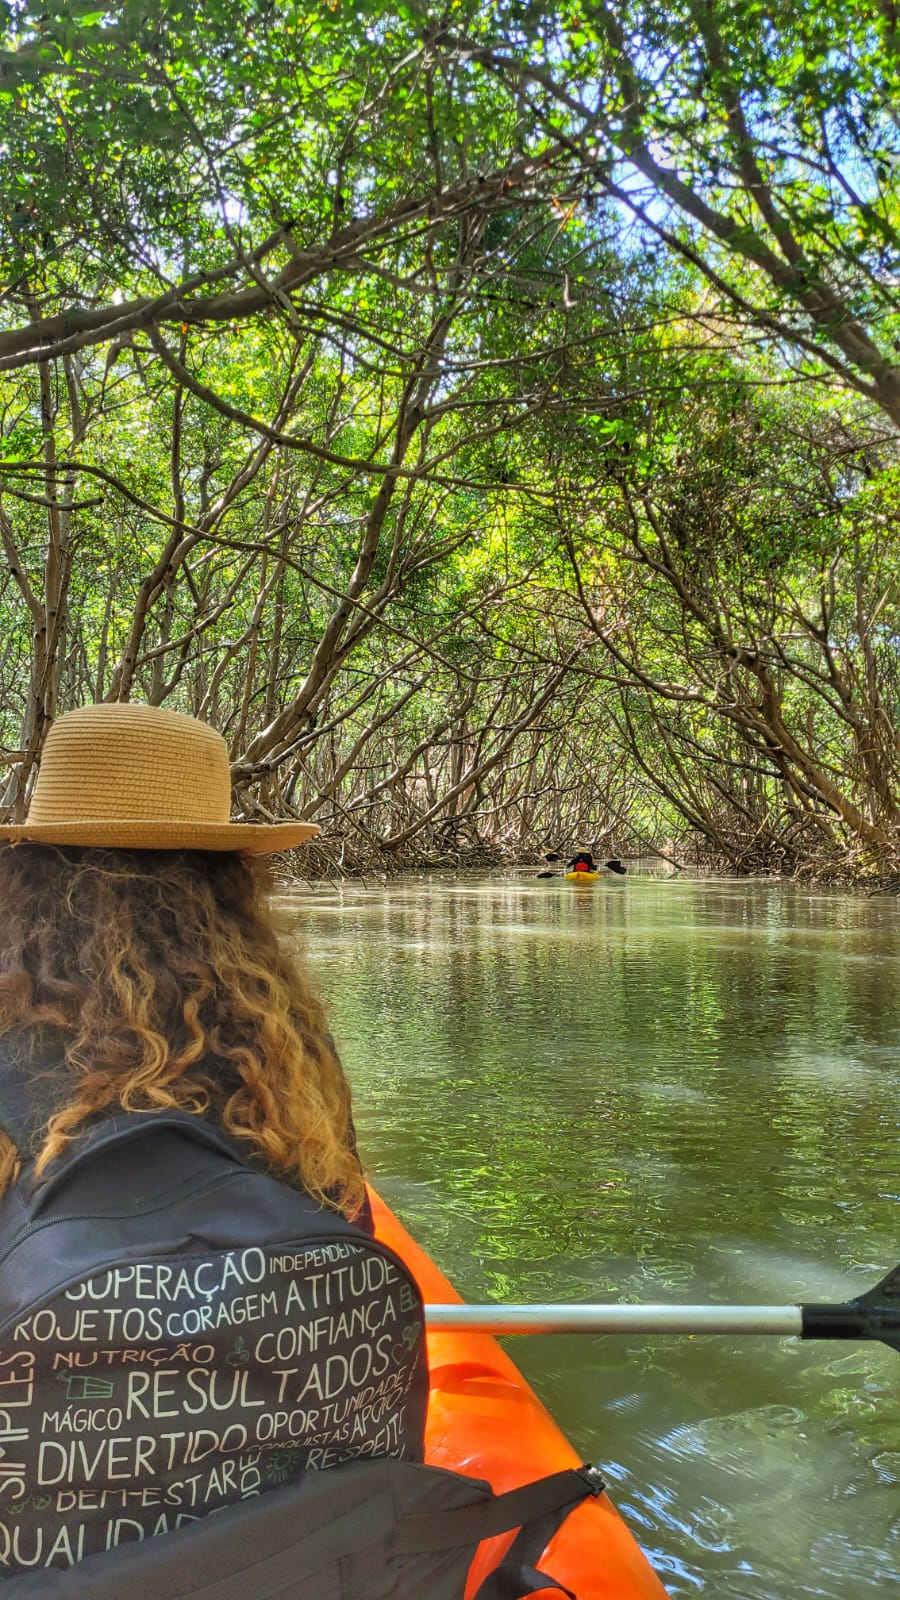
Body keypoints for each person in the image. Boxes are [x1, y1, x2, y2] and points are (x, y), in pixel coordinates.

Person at [0, 703, 426, 1577]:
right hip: (296, 1517)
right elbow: (349, 1218)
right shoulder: (286, 1036)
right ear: (231, 880)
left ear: (27, 870)